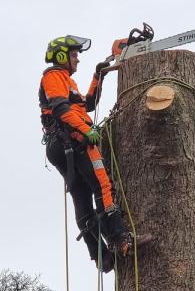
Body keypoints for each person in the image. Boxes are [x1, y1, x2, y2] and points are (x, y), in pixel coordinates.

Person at [39, 35, 149, 273]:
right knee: (103, 185)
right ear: (62, 57)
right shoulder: (53, 76)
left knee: (81, 194)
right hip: (72, 140)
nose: (77, 59)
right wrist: (85, 130)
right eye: (74, 54)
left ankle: (101, 256)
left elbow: (87, 104)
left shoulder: (67, 82)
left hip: (63, 144)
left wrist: (97, 76)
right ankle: (121, 239)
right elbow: (60, 108)